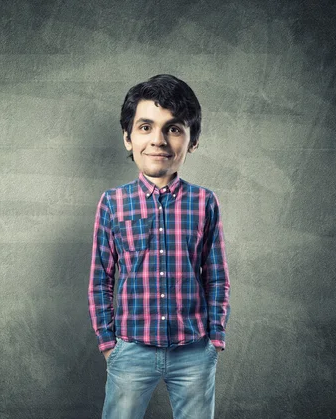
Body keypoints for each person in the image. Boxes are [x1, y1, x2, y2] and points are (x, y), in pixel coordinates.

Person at [88, 74, 230, 419]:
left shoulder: (204, 202)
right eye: (146, 127)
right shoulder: (112, 203)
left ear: (191, 141)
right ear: (128, 138)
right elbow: (100, 280)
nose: (159, 140)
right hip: (131, 348)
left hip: (194, 349)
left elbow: (216, 277)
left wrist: (215, 339)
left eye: (174, 129)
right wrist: (109, 344)